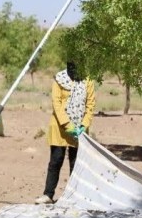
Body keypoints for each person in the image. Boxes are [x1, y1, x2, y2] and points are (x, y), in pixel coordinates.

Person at [35, 60, 96, 204]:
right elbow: (56, 103)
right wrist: (67, 125)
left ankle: (74, 196)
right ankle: (48, 195)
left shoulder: (88, 81)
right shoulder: (59, 79)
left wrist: (83, 125)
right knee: (56, 160)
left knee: (76, 163)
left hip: (79, 130)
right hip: (59, 127)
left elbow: (90, 104)